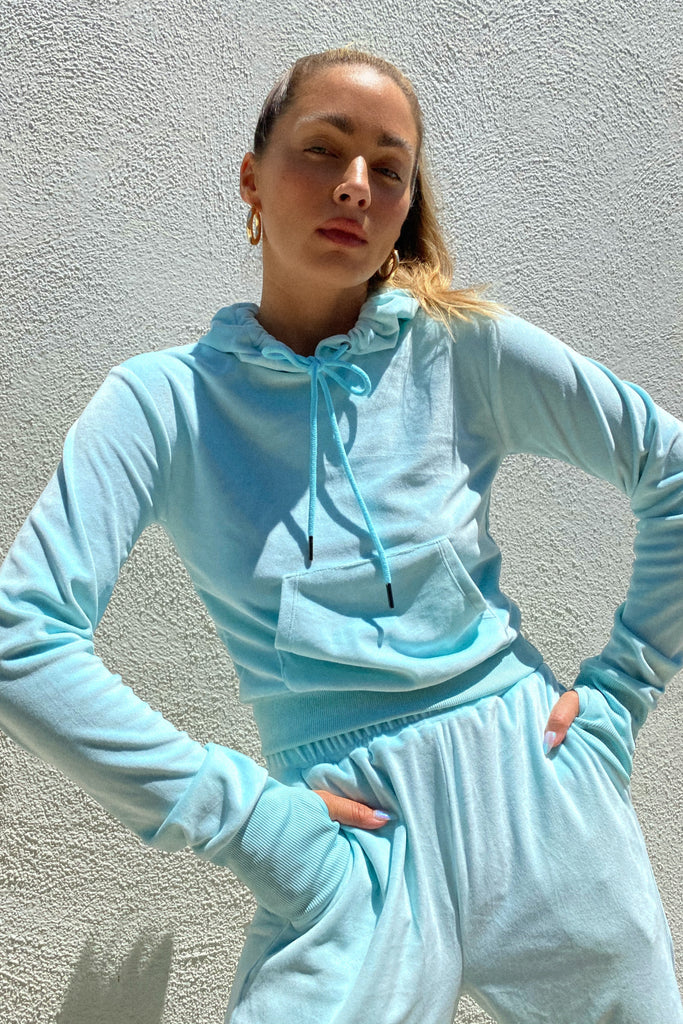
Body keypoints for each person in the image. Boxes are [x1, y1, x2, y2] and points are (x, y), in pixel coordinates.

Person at [0, 46, 681, 1024]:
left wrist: (620, 692)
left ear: (403, 206)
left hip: (539, 804)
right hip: (347, 844)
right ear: (252, 177)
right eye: (322, 149)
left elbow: (669, 467)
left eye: (388, 167)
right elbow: (23, 642)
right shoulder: (163, 404)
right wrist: (247, 818)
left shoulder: (461, 351)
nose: (355, 184)